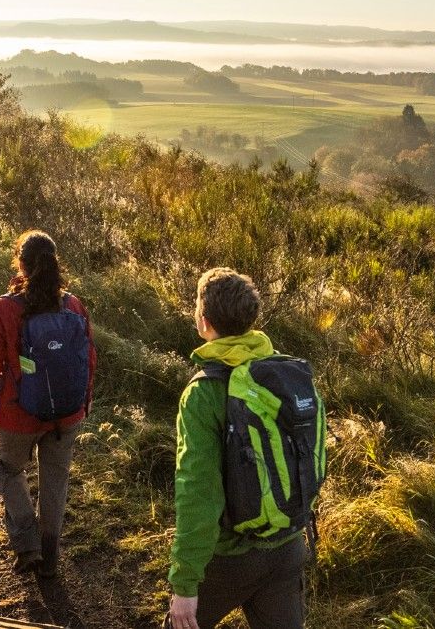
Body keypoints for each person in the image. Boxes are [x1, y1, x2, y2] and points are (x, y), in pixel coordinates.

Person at [168, 268, 324, 629]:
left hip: (229, 559)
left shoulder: (203, 393)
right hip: (288, 547)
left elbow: (197, 493)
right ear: (252, 319)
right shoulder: (286, 374)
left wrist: (185, 583)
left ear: (203, 322)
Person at [0, 230, 96, 578]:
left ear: (20, 265)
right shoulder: (74, 305)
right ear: (55, 263)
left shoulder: (4, 309)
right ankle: (50, 557)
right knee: (55, 480)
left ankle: (27, 545)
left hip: (17, 415)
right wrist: (82, 403)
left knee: (9, 471)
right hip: (67, 415)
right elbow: (89, 359)